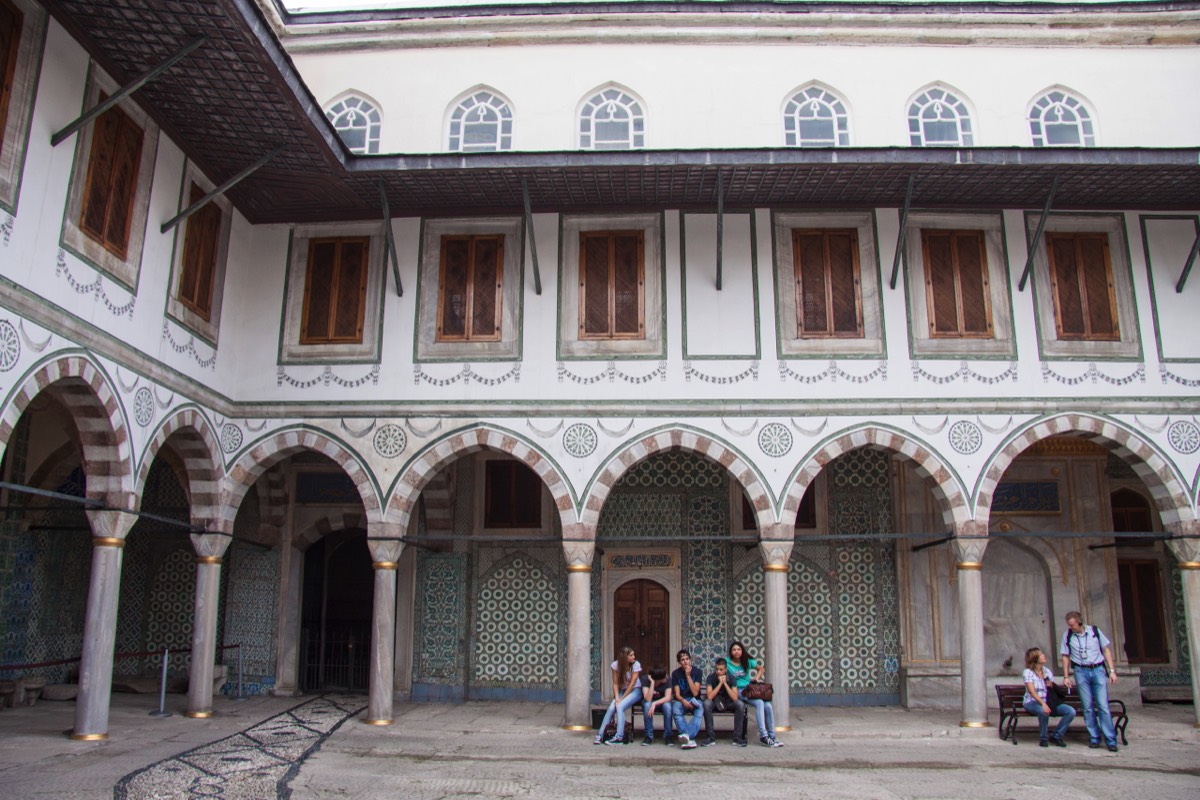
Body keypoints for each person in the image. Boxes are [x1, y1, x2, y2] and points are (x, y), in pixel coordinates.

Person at [1059, 611, 1120, 752]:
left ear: (1079, 623)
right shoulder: (1067, 635)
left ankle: (1110, 739)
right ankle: (1094, 737)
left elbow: (1106, 651)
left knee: (1103, 705)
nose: (1070, 627)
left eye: (1072, 624)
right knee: (1087, 707)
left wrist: (1112, 671)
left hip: (1097, 669)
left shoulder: (1095, 632)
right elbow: (1065, 657)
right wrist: (1066, 676)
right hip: (1080, 671)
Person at [726, 640, 782, 747]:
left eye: (738, 649)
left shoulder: (748, 661)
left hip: (749, 689)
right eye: (734, 650)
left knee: (768, 706)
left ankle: (772, 736)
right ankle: (763, 736)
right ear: (731, 652)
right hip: (738, 690)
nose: (736, 652)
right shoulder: (727, 662)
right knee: (760, 703)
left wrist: (756, 678)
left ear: (742, 651)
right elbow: (719, 669)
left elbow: (761, 668)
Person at [1022, 646, 1075, 747]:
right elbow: (1032, 692)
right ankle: (1043, 738)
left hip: (1048, 700)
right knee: (1043, 711)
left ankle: (1057, 735)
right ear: (1035, 658)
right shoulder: (1028, 672)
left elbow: (1052, 689)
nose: (1044, 656)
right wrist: (1043, 704)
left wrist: (1052, 685)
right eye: (1041, 655)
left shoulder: (1047, 671)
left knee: (1070, 711)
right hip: (1032, 702)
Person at [594, 646, 642, 745]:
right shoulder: (615, 665)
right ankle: (600, 734)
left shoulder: (636, 665)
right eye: (631, 655)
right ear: (625, 657)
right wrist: (616, 698)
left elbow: (632, 684)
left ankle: (619, 737)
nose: (634, 657)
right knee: (612, 708)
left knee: (619, 706)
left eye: (633, 654)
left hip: (635, 690)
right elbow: (615, 683)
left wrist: (621, 699)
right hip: (622, 690)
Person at [669, 649, 708, 748]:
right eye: (682, 660)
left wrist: (688, 676)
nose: (685, 661)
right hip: (681, 699)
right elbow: (677, 694)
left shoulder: (697, 672)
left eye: (687, 659)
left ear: (690, 660)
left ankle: (686, 736)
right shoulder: (675, 674)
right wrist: (683, 701)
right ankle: (690, 739)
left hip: (695, 699)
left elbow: (695, 692)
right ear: (679, 662)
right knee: (676, 710)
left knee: (699, 710)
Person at [704, 657, 746, 747]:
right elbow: (709, 697)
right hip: (715, 702)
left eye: (721, 670)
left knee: (740, 704)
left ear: (726, 670)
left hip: (728, 702)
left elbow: (735, 697)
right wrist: (720, 684)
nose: (718, 672)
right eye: (717, 669)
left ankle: (737, 737)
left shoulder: (732, 678)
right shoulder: (710, 678)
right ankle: (710, 737)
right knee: (706, 704)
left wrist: (725, 683)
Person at [640, 665, 673, 746]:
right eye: (664, 676)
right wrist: (652, 683)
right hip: (649, 702)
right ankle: (649, 736)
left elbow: (668, 698)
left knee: (667, 706)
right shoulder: (645, 679)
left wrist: (654, 703)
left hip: (662, 702)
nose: (666, 677)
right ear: (658, 679)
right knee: (647, 705)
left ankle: (668, 735)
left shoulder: (668, 679)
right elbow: (647, 699)